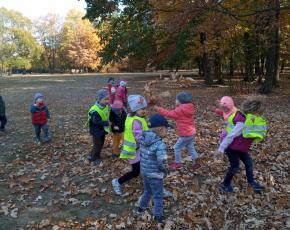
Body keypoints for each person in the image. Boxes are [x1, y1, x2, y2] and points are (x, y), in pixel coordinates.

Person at [216, 98, 267, 193]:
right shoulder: (242, 122)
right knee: (235, 166)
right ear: (253, 111)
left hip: (240, 147)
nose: (260, 115)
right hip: (231, 147)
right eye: (258, 113)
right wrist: (221, 149)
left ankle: (251, 183)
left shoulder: (247, 118)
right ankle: (225, 184)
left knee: (249, 162)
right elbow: (231, 135)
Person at [112, 95, 148, 195]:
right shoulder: (136, 121)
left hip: (138, 149)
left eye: (144, 108)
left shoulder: (131, 117)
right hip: (134, 150)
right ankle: (117, 182)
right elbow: (139, 136)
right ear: (135, 109)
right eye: (141, 109)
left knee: (144, 167)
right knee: (136, 172)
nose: (144, 111)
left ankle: (149, 183)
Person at [137, 114, 170, 224]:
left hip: (145, 172)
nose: (167, 132)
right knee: (158, 195)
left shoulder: (143, 138)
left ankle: (141, 208)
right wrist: (165, 171)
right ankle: (158, 216)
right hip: (155, 174)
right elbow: (162, 162)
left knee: (147, 190)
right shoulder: (160, 145)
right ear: (161, 129)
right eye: (166, 130)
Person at [155, 92, 200, 170]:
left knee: (176, 147)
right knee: (190, 147)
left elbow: (169, 114)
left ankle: (178, 163)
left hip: (185, 134)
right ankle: (196, 162)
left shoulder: (180, 109)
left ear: (180, 101)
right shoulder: (189, 107)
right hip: (191, 133)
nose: (175, 101)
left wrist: (158, 109)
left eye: (176, 99)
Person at [87, 89, 110, 166]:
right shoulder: (95, 110)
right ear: (99, 99)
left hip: (101, 130)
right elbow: (96, 122)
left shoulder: (105, 106)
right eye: (105, 99)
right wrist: (107, 123)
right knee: (98, 144)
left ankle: (92, 155)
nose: (107, 101)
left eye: (108, 99)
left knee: (100, 143)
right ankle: (94, 158)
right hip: (96, 130)